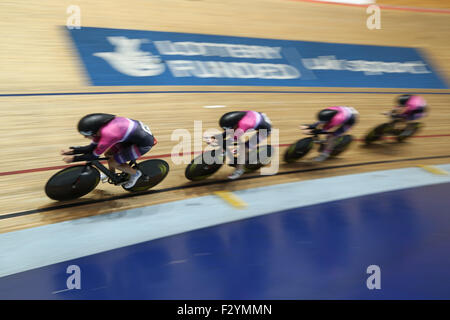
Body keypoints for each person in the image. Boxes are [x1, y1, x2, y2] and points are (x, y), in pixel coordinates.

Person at [61, 113, 157, 189]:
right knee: (108, 154)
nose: (85, 137)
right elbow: (90, 148)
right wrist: (72, 151)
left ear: (93, 131)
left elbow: (94, 156)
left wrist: (74, 159)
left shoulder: (108, 134)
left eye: (86, 134)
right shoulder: (101, 128)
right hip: (131, 137)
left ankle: (135, 173)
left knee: (113, 161)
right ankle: (112, 175)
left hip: (143, 144)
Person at [207, 111, 272, 180]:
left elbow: (233, 139)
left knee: (244, 148)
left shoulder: (244, 124)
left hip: (264, 130)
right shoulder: (237, 117)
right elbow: (229, 131)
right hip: (257, 118)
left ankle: (239, 170)